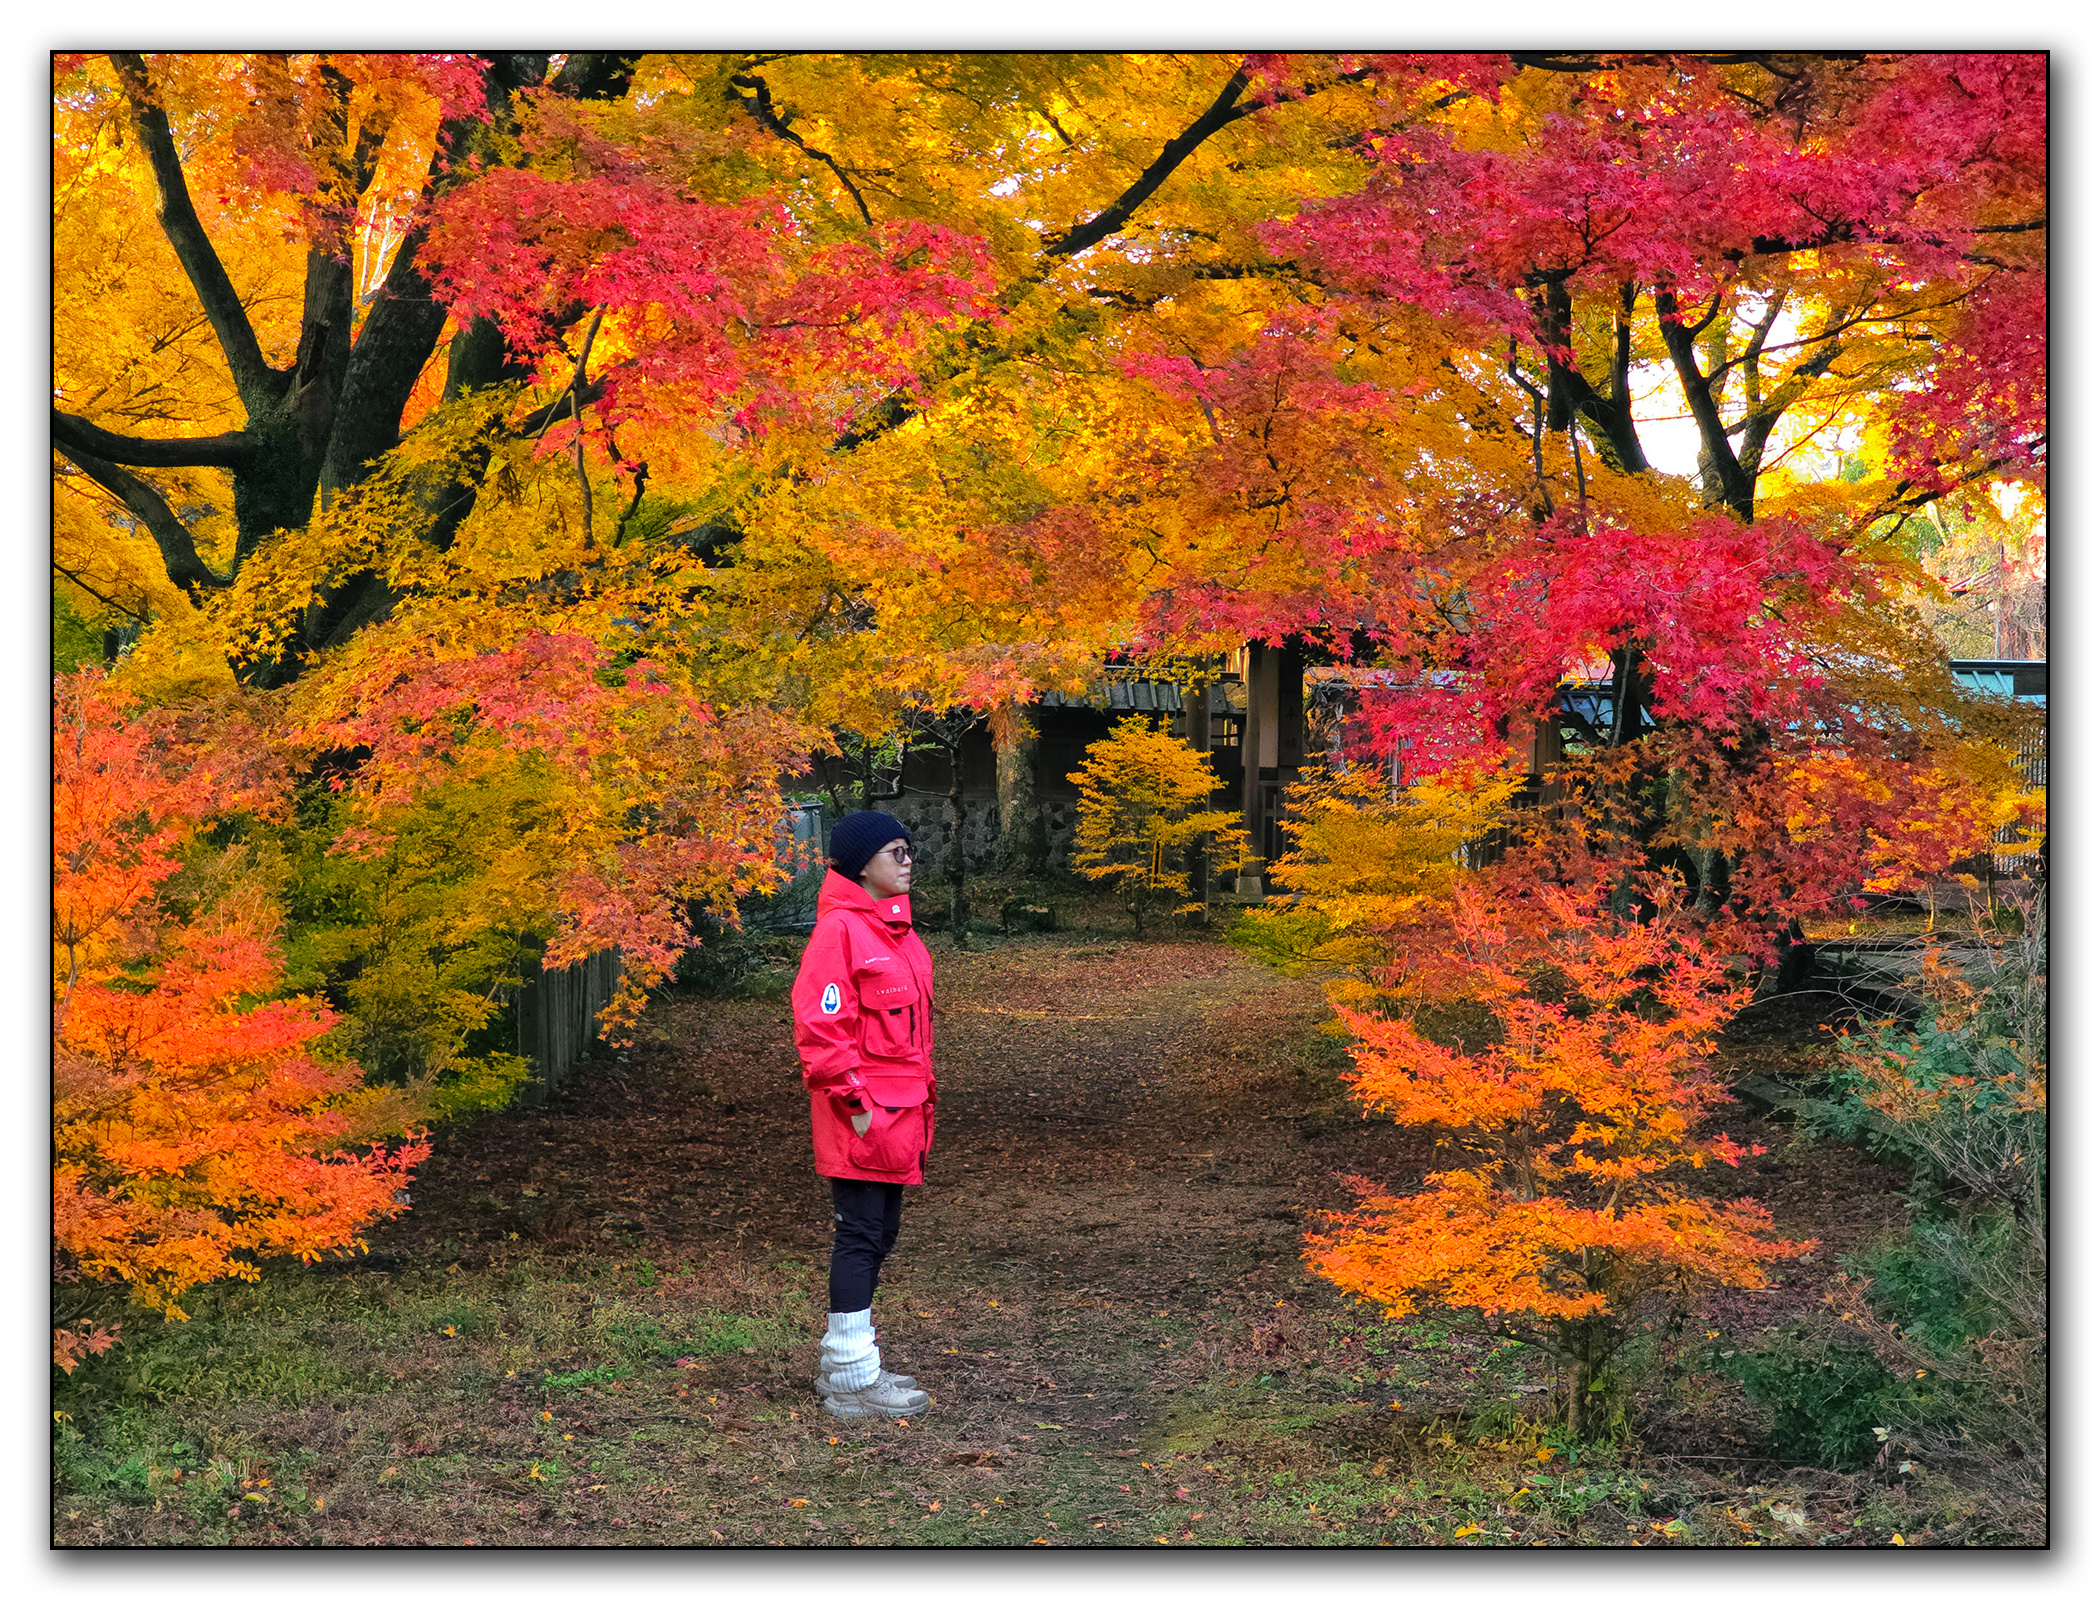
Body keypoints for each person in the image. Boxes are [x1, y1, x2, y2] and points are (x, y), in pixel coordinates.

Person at [790, 810, 938, 1420]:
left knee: (880, 1235)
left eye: (909, 851)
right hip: (864, 1116)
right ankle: (852, 1376)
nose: (907, 862)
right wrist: (857, 1109)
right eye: (895, 852)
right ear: (861, 864)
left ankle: (848, 1359)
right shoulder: (840, 934)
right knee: (860, 1235)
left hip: (901, 1115)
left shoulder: (897, 934)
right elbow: (821, 1029)